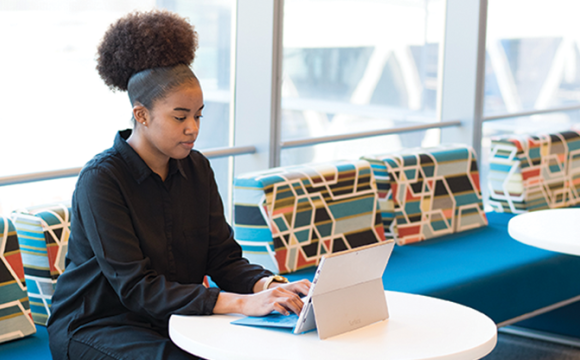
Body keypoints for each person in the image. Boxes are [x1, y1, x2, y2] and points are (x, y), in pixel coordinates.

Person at [47, 10, 310, 360]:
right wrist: (244, 303)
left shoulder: (197, 168)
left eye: (198, 115)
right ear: (141, 115)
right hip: (98, 325)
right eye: (180, 116)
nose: (193, 128)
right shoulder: (102, 180)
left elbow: (223, 258)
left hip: (173, 318)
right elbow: (137, 288)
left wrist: (272, 287)